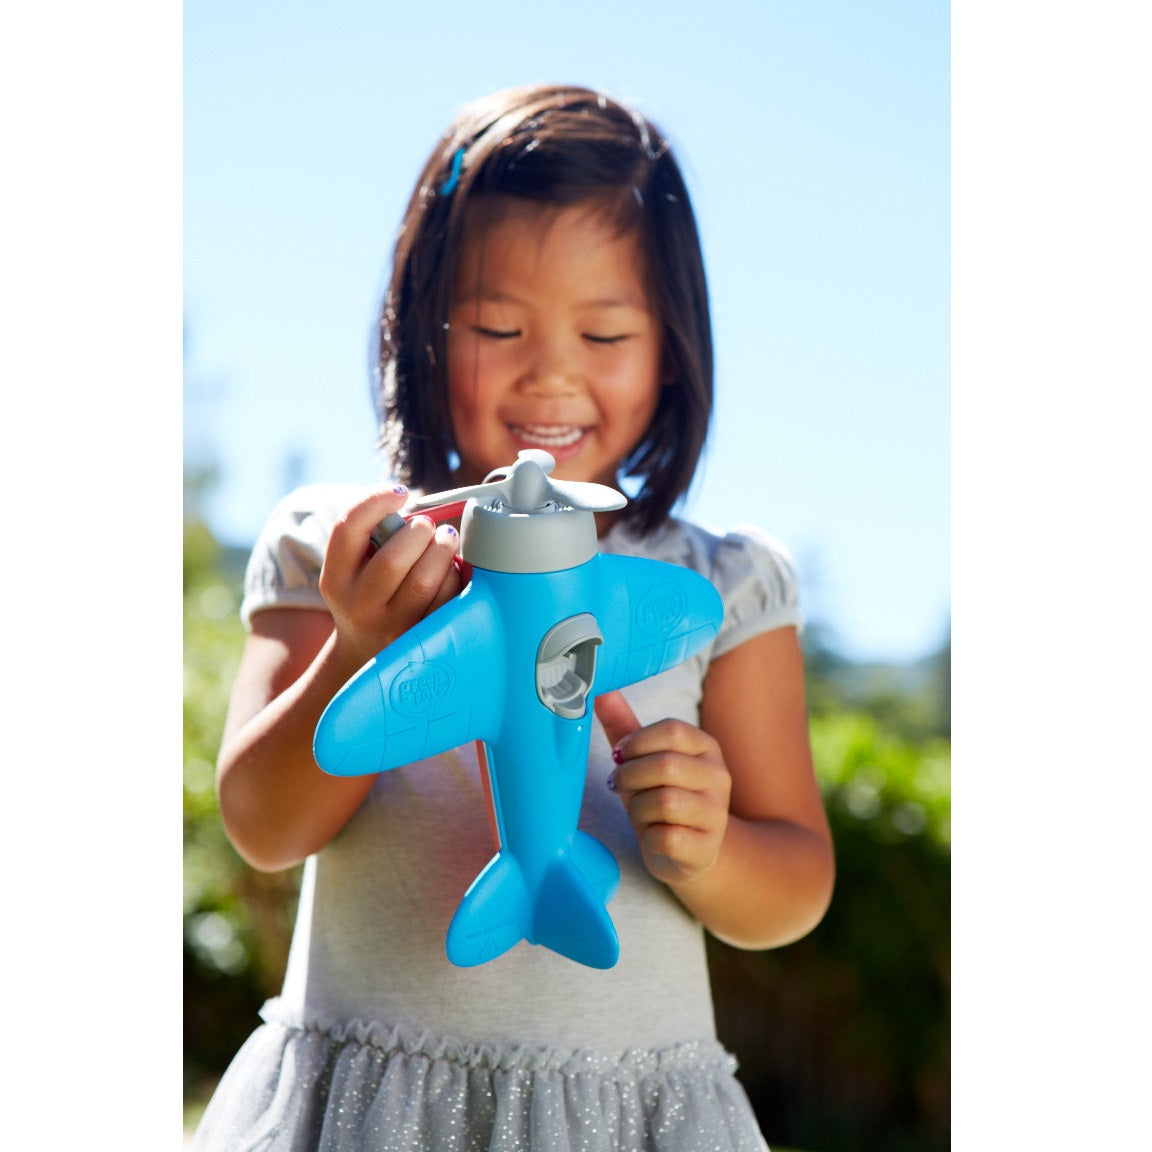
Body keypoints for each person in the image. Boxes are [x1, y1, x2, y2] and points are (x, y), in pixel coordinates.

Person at [191, 83, 835, 1152]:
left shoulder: (720, 584)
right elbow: (264, 827)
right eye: (499, 325)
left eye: (606, 331)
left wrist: (713, 849)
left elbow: (795, 885)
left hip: (629, 1115)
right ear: (423, 329)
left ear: (674, 349)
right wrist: (358, 644)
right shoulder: (339, 548)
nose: (553, 372)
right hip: (367, 1113)